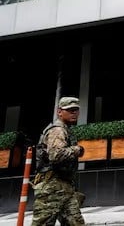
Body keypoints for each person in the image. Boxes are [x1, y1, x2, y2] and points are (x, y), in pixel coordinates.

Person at [32, 96, 86, 226]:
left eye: (76, 110)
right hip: (51, 188)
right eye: (70, 110)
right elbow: (56, 155)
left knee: (76, 223)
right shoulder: (58, 130)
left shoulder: (65, 130)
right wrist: (77, 150)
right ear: (59, 112)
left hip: (64, 187)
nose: (74, 113)